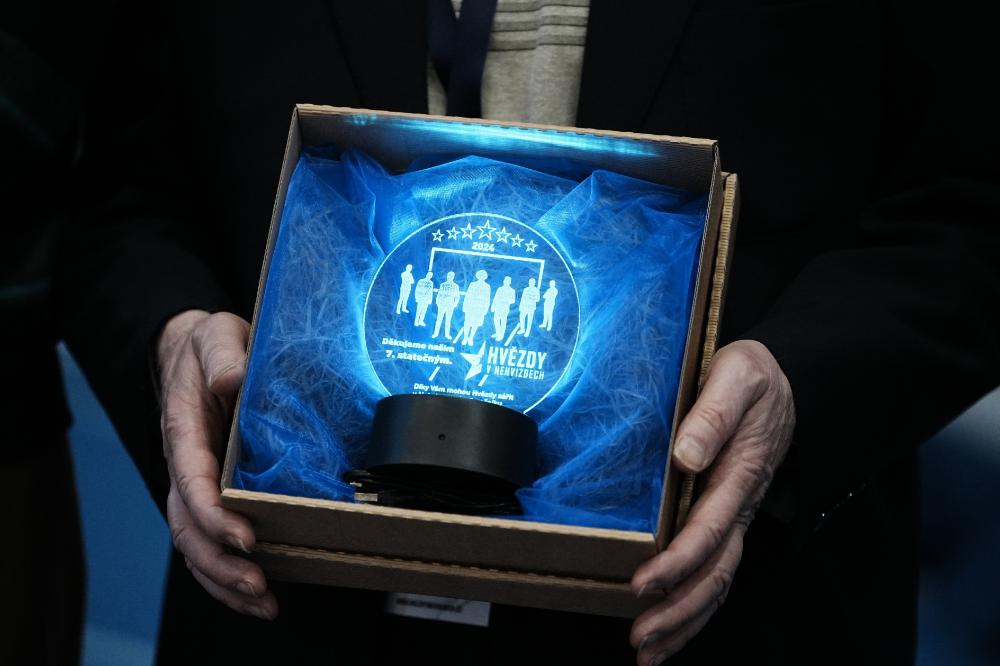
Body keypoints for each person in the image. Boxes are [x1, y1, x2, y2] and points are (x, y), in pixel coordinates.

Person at [56, 1, 1000, 664]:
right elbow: (122, 188)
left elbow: (973, 205)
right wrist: (171, 332)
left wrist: (800, 384)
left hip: (720, 616)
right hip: (284, 607)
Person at [460, 269, 491, 345]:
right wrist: (465, 306)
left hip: (480, 309)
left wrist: (485, 309)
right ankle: (465, 337)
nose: (481, 277)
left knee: (475, 324)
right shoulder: (473, 284)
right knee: (467, 323)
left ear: (485, 277)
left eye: (483, 275)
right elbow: (468, 295)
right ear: (478, 276)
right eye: (480, 275)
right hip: (471, 307)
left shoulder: (487, 287)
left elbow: (487, 299)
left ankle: (471, 338)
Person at [432, 271, 461, 340]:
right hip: (442, 304)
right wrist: (438, 302)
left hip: (450, 305)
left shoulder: (455, 286)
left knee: (448, 320)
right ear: (447, 276)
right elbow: (439, 294)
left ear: (453, 277)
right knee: (439, 319)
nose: (450, 277)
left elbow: (457, 296)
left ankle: (447, 334)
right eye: (449, 275)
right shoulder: (443, 285)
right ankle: (435, 333)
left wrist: (454, 304)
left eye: (451, 276)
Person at [490, 276, 516, 341]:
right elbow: (496, 297)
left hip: (505, 308)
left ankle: (501, 335)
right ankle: (498, 332)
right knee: (496, 320)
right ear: (504, 281)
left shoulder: (512, 290)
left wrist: (505, 299)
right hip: (498, 307)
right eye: (505, 280)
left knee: (503, 321)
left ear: (510, 282)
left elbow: (513, 300)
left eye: (507, 281)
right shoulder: (500, 289)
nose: (506, 282)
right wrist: (493, 306)